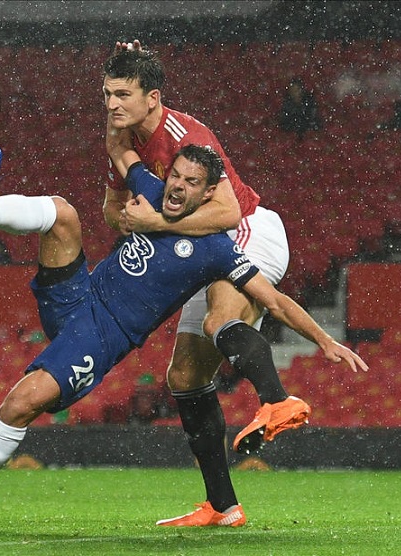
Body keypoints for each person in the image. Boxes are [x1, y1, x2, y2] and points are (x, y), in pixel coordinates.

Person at [0, 141, 366, 530]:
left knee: (20, 403)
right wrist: (118, 100)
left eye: (190, 183)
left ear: (208, 197)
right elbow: (120, 152)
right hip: (78, 296)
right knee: (63, 215)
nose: (177, 186)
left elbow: (275, 300)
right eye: (176, 176)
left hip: (102, 337)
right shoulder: (150, 189)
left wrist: (322, 340)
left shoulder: (217, 250)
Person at [102, 44, 306, 526]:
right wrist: (129, 221)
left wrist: (156, 225)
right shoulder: (122, 145)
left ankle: (278, 401)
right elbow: (112, 209)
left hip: (247, 230)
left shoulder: (185, 135)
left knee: (220, 319)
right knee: (184, 379)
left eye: (123, 94)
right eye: (107, 94)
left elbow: (229, 211)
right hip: (201, 248)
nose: (112, 104)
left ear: (152, 98)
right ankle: (223, 506)